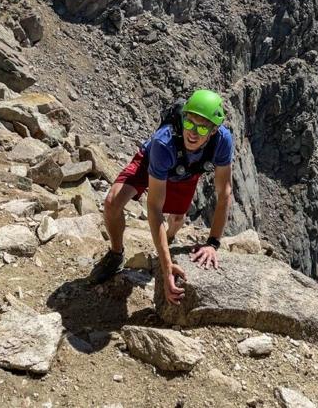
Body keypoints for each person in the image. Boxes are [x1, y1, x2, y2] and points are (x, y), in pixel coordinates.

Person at [89, 89, 234, 305]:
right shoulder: (163, 142)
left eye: (202, 127)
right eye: (189, 122)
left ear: (213, 131)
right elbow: (154, 207)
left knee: (177, 218)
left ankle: (168, 238)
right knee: (112, 203)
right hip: (153, 161)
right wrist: (166, 269)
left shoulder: (222, 141)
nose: (193, 132)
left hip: (187, 172)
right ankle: (116, 253)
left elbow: (224, 193)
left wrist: (212, 243)